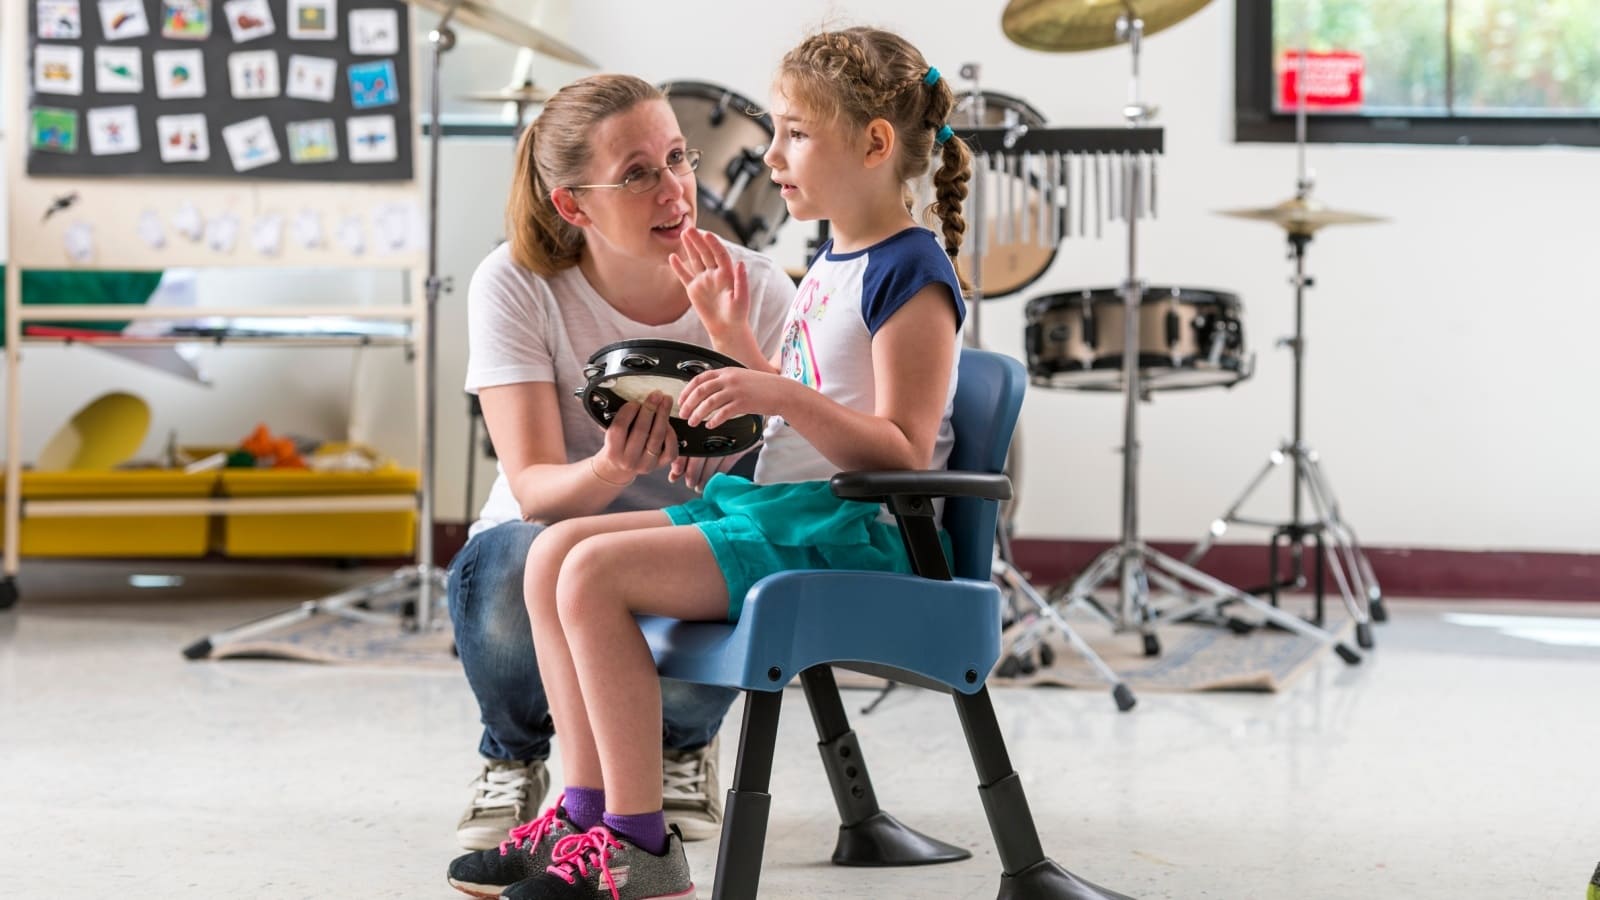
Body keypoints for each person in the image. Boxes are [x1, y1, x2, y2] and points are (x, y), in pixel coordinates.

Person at [496, 26, 973, 900]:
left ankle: (641, 846)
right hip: (793, 515)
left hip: (855, 535)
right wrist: (731, 341)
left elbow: (901, 449)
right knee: (550, 557)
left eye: (794, 132)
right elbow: (797, 411)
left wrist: (777, 393)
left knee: (593, 571)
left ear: (872, 144)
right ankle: (584, 812)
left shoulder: (914, 271)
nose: (771, 153)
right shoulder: (835, 258)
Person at [444, 74, 794, 893]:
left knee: (703, 568)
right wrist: (612, 468)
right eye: (638, 174)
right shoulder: (516, 283)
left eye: (678, 158)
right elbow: (531, 490)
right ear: (573, 207)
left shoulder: (758, 291)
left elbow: (793, 473)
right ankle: (521, 760)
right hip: (552, 545)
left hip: (683, 550)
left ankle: (670, 756)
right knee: (525, 557)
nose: (678, 191)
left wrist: (738, 391)